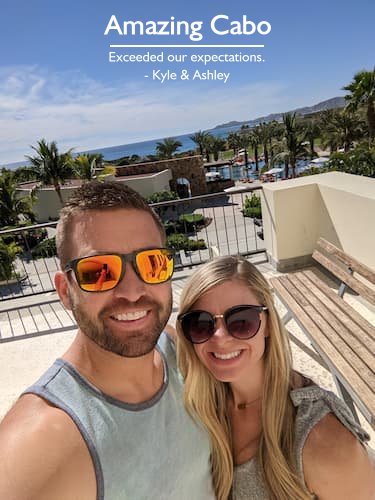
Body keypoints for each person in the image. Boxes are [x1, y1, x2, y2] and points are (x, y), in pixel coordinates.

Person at [0, 181, 214, 500]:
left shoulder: (176, 350)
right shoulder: (40, 439)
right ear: (64, 292)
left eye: (152, 263)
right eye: (98, 271)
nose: (131, 292)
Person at [176, 256, 375, 500]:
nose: (220, 337)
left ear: (269, 324)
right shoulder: (202, 404)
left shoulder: (324, 440)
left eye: (241, 321)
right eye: (200, 323)